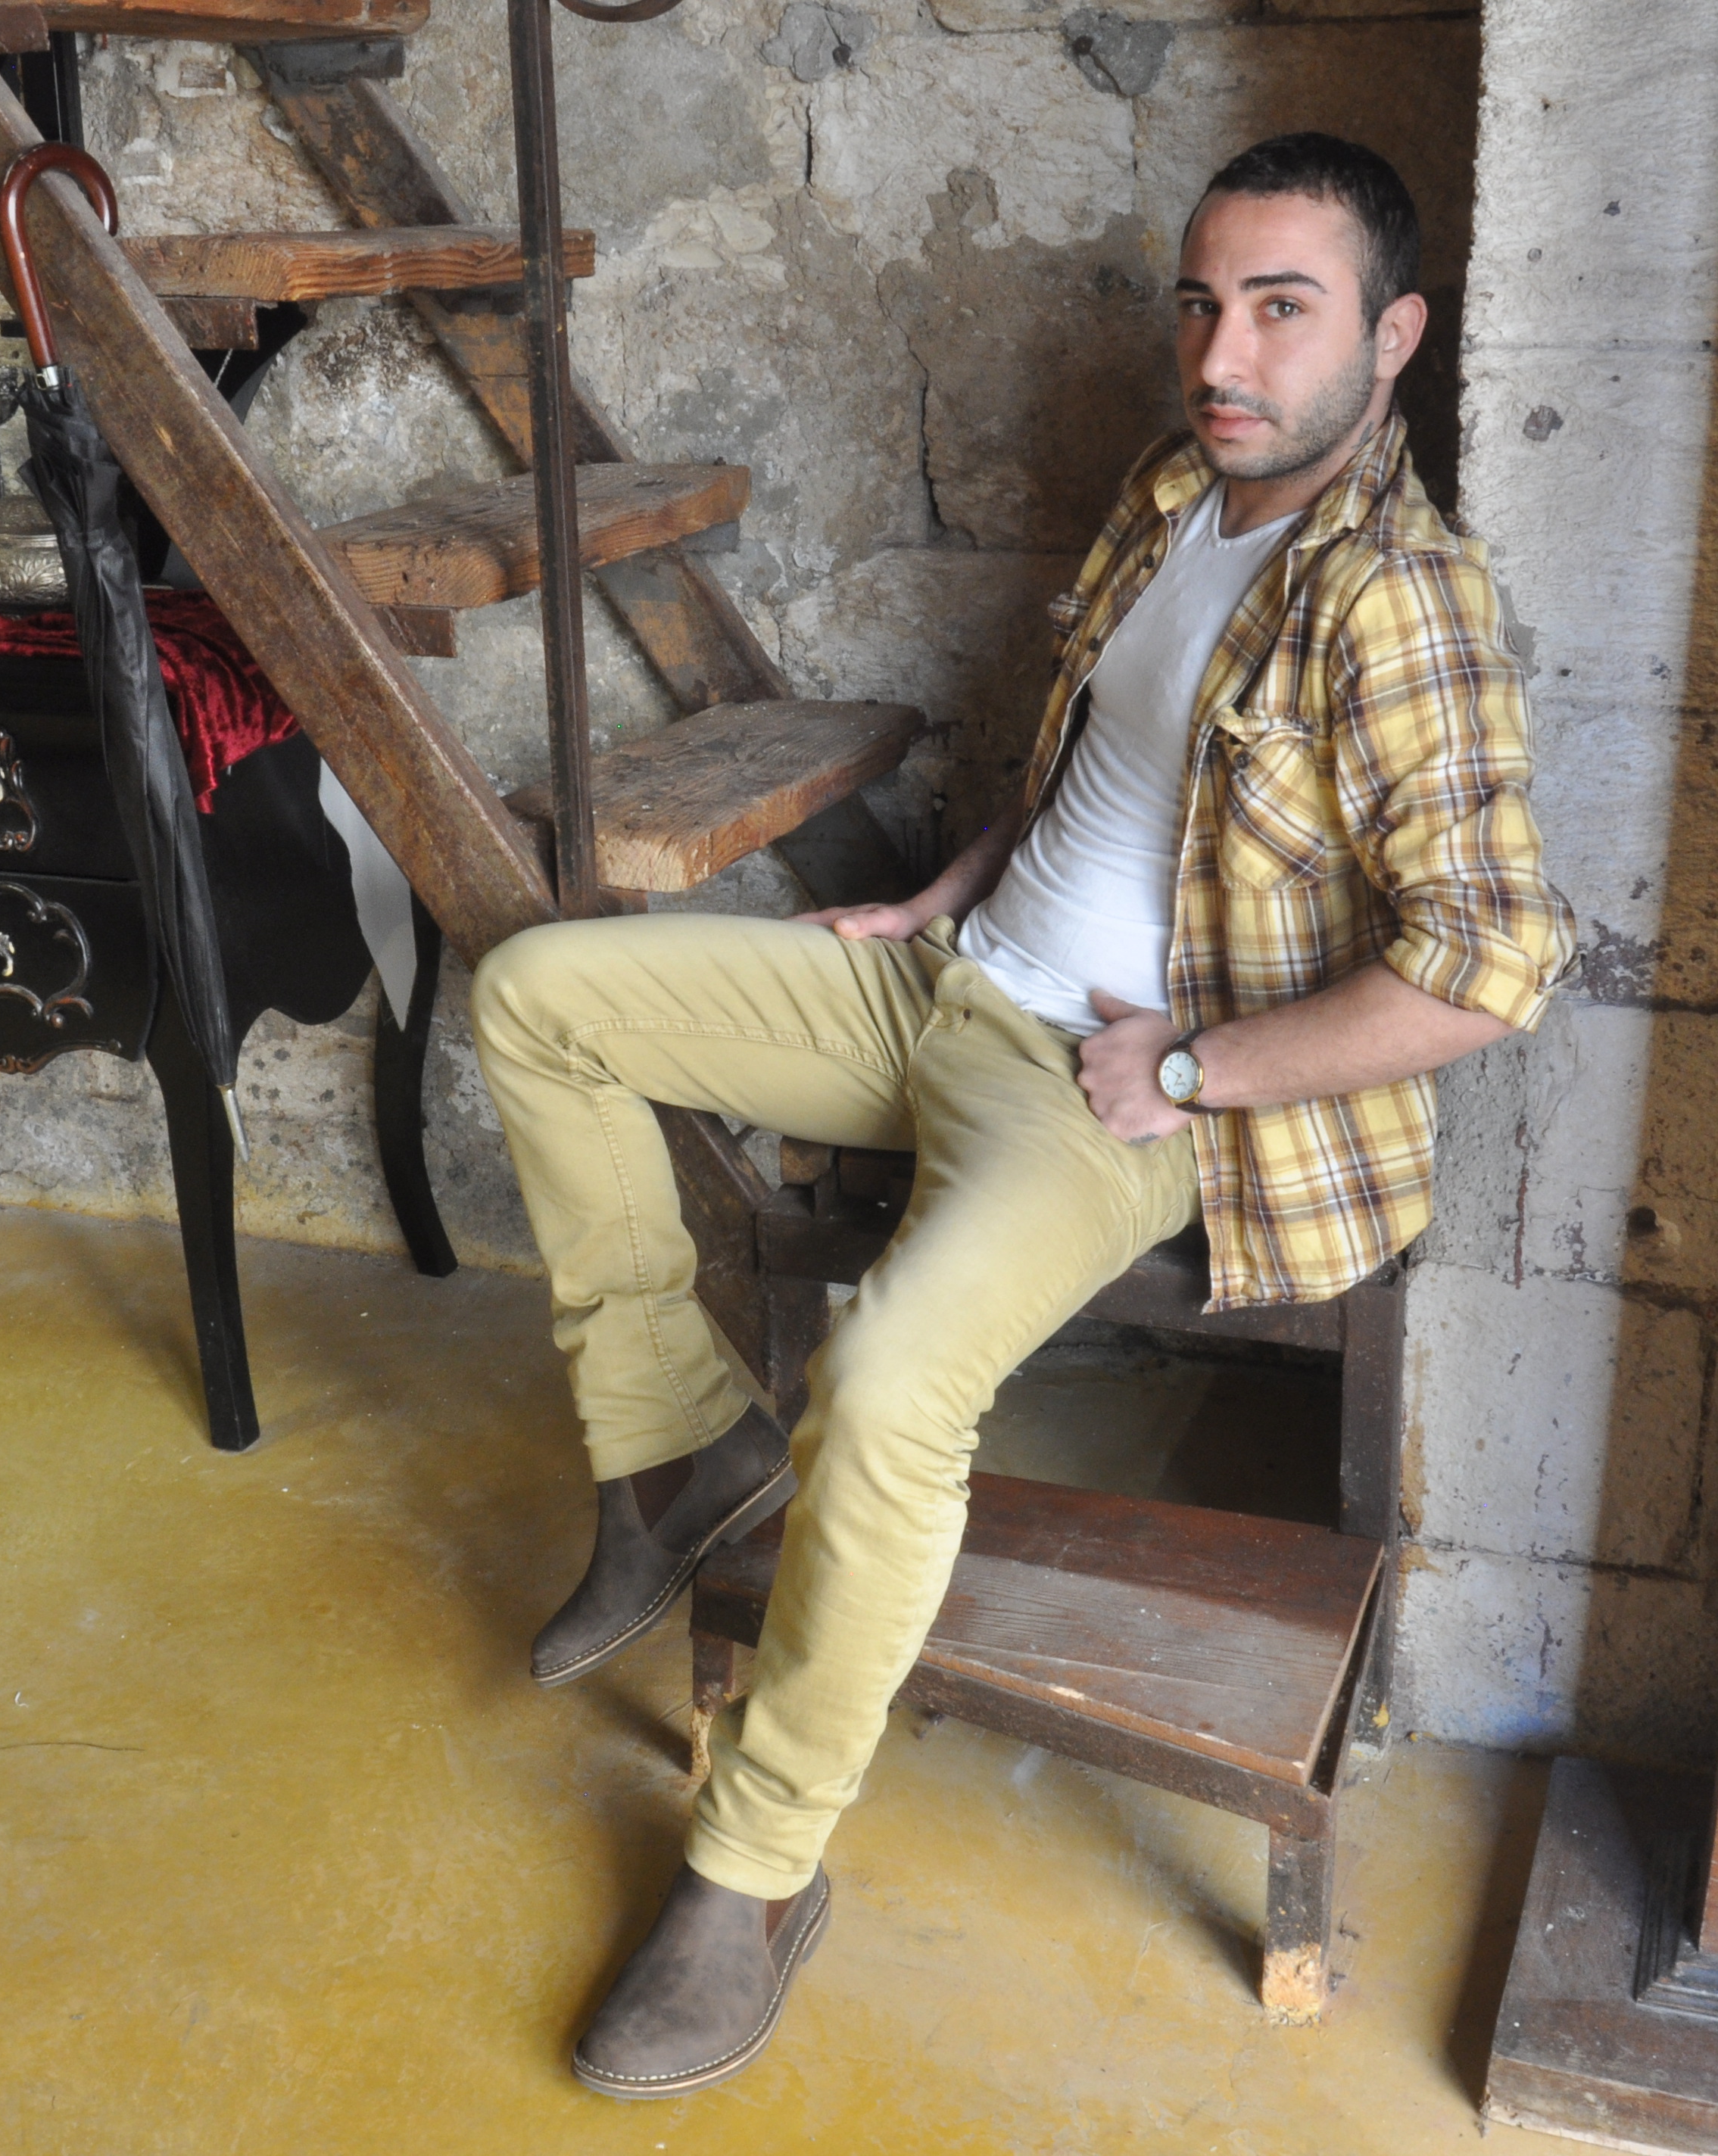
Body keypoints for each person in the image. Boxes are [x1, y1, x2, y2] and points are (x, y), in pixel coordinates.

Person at [469, 132, 1579, 2099]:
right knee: (541, 993)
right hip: (949, 986)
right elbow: (1093, 761)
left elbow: (1493, 964)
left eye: (1283, 310)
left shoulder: (1400, 602)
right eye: (1203, 303)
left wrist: (1198, 1069)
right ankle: (676, 1457)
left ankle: (755, 1869)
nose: (1221, 354)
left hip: (1098, 1088)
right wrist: (943, 894)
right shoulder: (1177, 488)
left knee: (893, 1377)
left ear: (1395, 336)